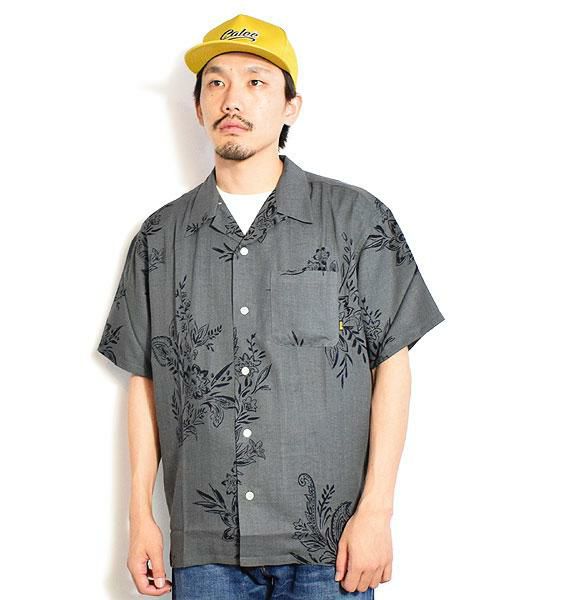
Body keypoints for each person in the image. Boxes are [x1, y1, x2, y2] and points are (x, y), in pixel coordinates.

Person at [97, 13, 445, 599]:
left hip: (330, 546)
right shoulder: (160, 238)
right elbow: (144, 380)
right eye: (216, 82)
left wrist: (377, 513)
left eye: (256, 81)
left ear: (290, 106)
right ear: (198, 107)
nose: (232, 98)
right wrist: (140, 519)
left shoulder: (356, 220)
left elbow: (392, 363)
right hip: (204, 548)